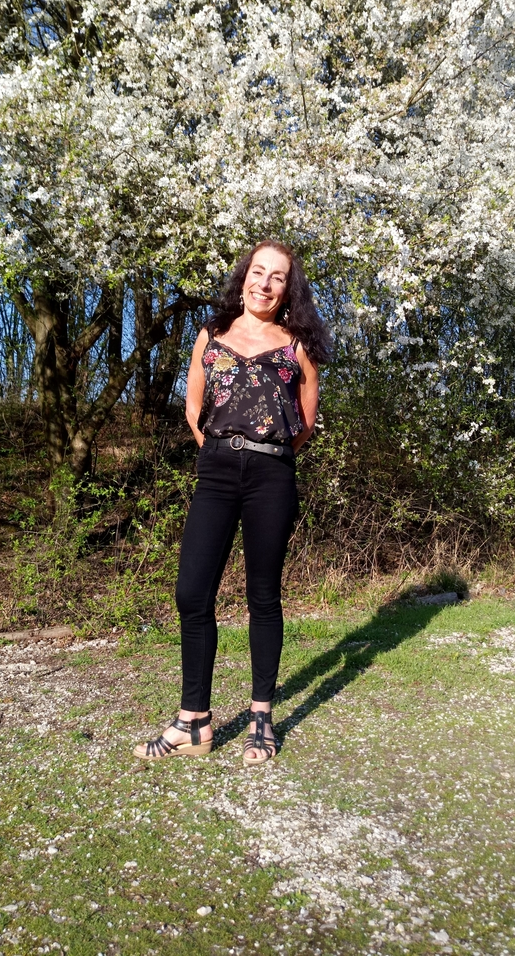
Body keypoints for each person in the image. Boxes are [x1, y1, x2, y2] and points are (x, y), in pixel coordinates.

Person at [134, 240, 332, 765]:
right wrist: (221, 451)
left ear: (288, 289)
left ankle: (261, 717)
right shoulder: (211, 334)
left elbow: (305, 422)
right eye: (258, 272)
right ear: (244, 276)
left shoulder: (297, 346)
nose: (264, 284)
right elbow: (193, 407)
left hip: (272, 475)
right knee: (191, 592)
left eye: (277, 277)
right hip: (216, 471)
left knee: (262, 595)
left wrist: (266, 456)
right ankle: (194, 720)